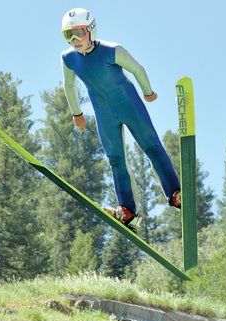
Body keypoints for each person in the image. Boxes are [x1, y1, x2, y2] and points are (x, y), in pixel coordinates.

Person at [60, 8, 181, 226]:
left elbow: (137, 69)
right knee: (115, 159)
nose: (74, 40)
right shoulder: (68, 58)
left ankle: (175, 193)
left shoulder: (112, 50)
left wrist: (148, 91)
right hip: (104, 113)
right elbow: (69, 85)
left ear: (91, 30)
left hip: (129, 105)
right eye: (68, 35)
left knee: (151, 146)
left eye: (79, 32)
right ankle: (127, 210)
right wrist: (76, 113)